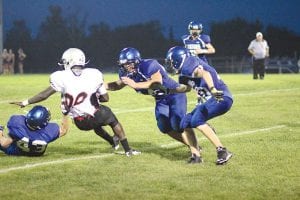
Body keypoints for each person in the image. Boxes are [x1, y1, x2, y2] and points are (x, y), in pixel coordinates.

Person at [10, 48, 140, 156]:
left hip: (80, 123)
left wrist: (25, 102)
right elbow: (106, 98)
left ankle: (112, 141)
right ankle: (128, 150)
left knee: (96, 124)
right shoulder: (94, 74)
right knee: (110, 117)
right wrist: (95, 97)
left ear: (69, 61)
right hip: (95, 115)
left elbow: (44, 95)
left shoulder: (61, 77)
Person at [106, 47, 201, 163]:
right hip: (160, 99)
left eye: (128, 64)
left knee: (178, 124)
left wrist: (135, 85)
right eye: (124, 65)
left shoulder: (149, 65)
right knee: (164, 126)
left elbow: (157, 82)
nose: (126, 67)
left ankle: (196, 152)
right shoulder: (126, 72)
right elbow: (118, 85)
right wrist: (101, 86)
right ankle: (193, 145)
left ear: (136, 61)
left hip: (174, 95)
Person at [165, 46, 233, 165]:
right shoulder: (183, 74)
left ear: (178, 59)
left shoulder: (188, 63)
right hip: (211, 100)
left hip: (220, 96)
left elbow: (205, 73)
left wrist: (212, 89)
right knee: (185, 122)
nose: (170, 65)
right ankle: (196, 156)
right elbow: (186, 88)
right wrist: (168, 90)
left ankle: (222, 151)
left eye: (171, 62)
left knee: (197, 120)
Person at [0, 105, 68, 156]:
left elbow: (4, 144)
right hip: (36, 154)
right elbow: (64, 130)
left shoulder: (17, 123)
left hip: (17, 150)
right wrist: (65, 114)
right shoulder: (50, 131)